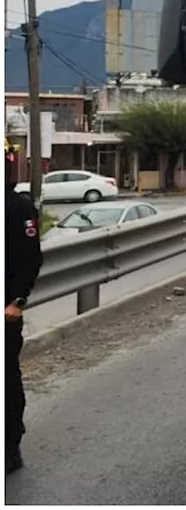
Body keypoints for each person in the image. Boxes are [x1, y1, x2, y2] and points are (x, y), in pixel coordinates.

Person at [5, 142, 42, 474]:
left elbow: (31, 259)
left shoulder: (17, 208)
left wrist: (17, 302)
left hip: (5, 311)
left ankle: (10, 446)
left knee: (6, 380)